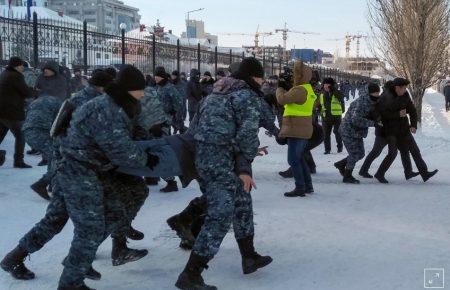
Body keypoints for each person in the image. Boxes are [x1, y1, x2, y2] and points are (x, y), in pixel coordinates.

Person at [175, 58, 272, 290]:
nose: (262, 81)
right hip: (221, 162)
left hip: (206, 158)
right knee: (221, 215)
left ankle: (249, 257)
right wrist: (244, 168)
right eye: (260, 77)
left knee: (242, 201)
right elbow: (246, 137)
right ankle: (191, 274)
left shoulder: (215, 93)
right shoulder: (247, 97)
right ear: (252, 77)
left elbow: (198, 128)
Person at [374, 78, 438, 183]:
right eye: (403, 88)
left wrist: (413, 125)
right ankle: (380, 173)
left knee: (415, 150)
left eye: (405, 88)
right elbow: (381, 115)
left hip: (403, 129)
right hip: (390, 131)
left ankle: (424, 173)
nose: (404, 90)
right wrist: (397, 114)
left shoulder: (405, 95)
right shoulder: (385, 97)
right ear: (396, 88)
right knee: (393, 153)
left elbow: (412, 110)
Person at [276, 61, 317, 197]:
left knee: (293, 159)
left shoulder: (300, 90)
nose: (293, 76)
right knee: (299, 159)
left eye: (295, 74)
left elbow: (282, 100)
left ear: (300, 76)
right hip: (302, 129)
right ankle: (308, 186)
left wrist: (280, 88)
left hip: (296, 129)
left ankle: (300, 187)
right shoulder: (307, 89)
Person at [334, 83, 380, 184]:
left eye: (378, 92)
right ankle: (347, 176)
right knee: (355, 154)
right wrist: (373, 123)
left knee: (360, 154)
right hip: (348, 130)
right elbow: (355, 119)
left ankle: (341, 164)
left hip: (356, 132)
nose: (377, 94)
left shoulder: (372, 101)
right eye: (375, 93)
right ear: (369, 93)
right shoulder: (361, 102)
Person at [22, 94, 64, 199]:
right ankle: (41, 184)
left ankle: (52, 185)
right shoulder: (60, 104)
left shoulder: (36, 102)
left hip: (27, 132)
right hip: (40, 133)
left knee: (53, 156)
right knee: (59, 158)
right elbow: (59, 123)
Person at [0, 57, 32, 168]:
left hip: (2, 111)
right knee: (20, 135)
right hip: (12, 112)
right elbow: (26, 92)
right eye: (22, 65)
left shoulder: (5, 73)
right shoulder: (16, 76)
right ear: (17, 66)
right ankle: (18, 161)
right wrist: (36, 91)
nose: (23, 67)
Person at [319, 77, 344, 154]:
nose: (326, 86)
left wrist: (333, 90)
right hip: (326, 116)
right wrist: (319, 110)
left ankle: (340, 147)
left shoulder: (336, 92)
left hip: (336, 116)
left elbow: (341, 97)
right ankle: (327, 150)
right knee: (326, 134)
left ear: (332, 85)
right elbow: (320, 104)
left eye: (328, 84)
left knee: (337, 132)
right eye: (325, 84)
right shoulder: (322, 93)